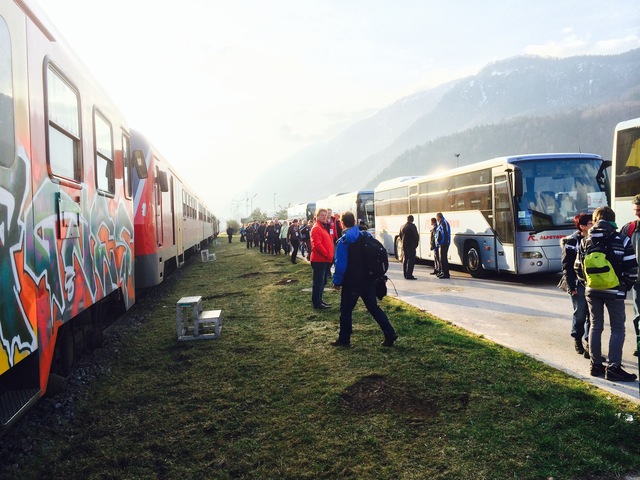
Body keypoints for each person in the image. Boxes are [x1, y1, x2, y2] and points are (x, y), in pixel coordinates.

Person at [575, 206, 638, 381]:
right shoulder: (622, 239)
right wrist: (623, 287)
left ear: (595, 220)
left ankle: (595, 366)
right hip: (615, 290)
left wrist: (587, 284)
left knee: (596, 326)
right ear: (612, 219)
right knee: (617, 328)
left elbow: (577, 267)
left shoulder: (585, 240)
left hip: (592, 290)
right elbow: (632, 268)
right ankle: (614, 368)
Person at [331, 211, 398, 347]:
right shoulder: (365, 235)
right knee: (373, 308)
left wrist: (337, 282)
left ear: (342, 223)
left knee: (346, 310)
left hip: (352, 282)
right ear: (354, 222)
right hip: (368, 279)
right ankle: (390, 333)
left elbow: (341, 264)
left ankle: (344, 339)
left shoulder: (344, 241)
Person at [560, 213, 592, 357]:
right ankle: (577, 339)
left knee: (592, 315)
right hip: (577, 283)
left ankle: (589, 343)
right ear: (582, 226)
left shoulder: (595, 239)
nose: (594, 225)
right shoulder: (572, 241)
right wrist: (572, 287)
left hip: (592, 282)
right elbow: (566, 265)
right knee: (580, 314)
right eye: (591, 223)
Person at [620, 193, 640, 355]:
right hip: (637, 281)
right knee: (638, 314)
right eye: (635, 210)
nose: (636, 213)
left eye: (639, 210)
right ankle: (639, 343)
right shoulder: (629, 228)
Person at [310, 209, 334, 310]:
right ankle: (317, 303)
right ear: (317, 216)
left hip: (325, 260)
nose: (325, 217)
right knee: (318, 282)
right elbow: (317, 245)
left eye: (326, 215)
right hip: (320, 260)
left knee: (323, 281)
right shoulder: (317, 228)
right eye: (322, 215)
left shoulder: (323, 227)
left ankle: (319, 300)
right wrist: (326, 255)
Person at [399, 214, 419, 279]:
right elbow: (416, 236)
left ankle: (405, 274)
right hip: (411, 246)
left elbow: (400, 236)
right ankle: (409, 274)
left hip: (404, 246)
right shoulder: (412, 226)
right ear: (412, 220)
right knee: (411, 261)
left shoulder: (402, 226)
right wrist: (416, 244)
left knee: (405, 260)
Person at [435, 212, 451, 279]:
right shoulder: (441, 223)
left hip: (444, 244)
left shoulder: (444, 223)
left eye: (437, 218)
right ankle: (442, 272)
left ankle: (446, 273)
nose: (436, 219)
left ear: (439, 217)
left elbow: (445, 234)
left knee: (444, 258)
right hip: (441, 243)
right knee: (441, 259)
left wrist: (444, 242)